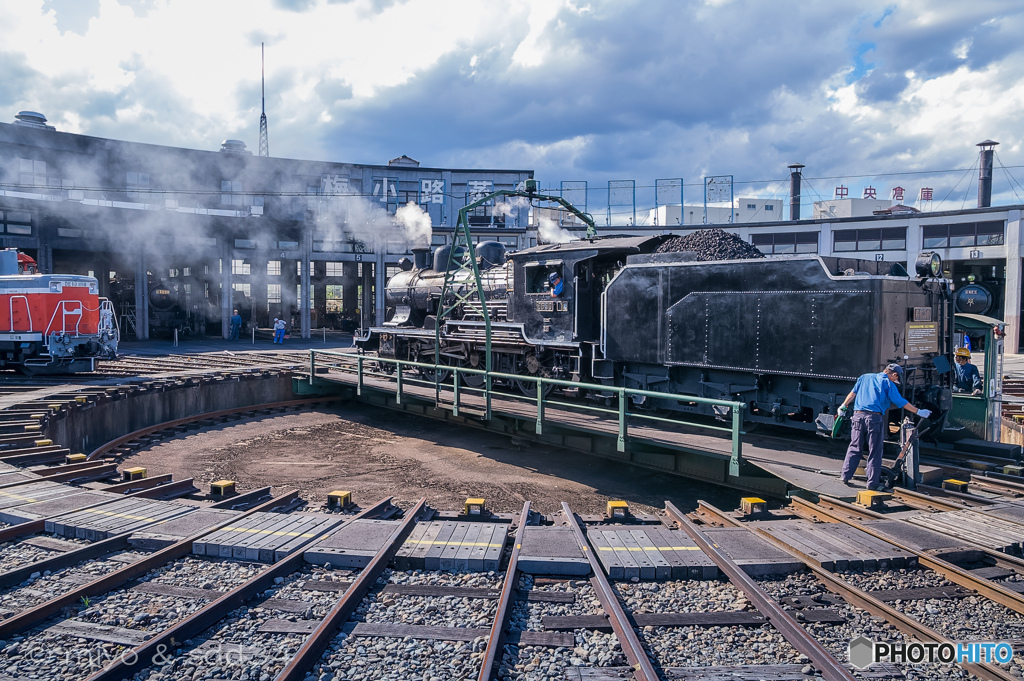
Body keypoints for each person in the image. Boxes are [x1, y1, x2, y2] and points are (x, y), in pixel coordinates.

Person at [837, 363, 932, 491]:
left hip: (857, 416)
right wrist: (919, 411)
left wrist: (843, 405)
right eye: (896, 378)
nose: (896, 381)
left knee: (854, 446)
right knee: (875, 451)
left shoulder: (864, 377)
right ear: (893, 374)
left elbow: (852, 393)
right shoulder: (888, 383)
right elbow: (901, 402)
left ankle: (845, 476)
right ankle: (872, 483)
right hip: (874, 419)